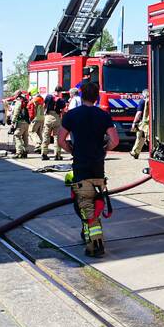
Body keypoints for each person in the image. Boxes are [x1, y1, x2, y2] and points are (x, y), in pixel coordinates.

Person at [58, 81, 119, 257]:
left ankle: (96, 245)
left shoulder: (71, 115)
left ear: (81, 95)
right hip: (98, 169)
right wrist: (104, 150)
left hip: (81, 168)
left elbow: (61, 140)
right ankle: (89, 234)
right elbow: (114, 141)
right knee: (96, 205)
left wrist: (72, 150)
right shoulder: (103, 115)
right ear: (96, 97)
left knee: (86, 207)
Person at [40, 86, 64, 161]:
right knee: (57, 137)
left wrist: (45, 114)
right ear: (60, 92)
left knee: (46, 136)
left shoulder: (48, 97)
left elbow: (44, 106)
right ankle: (57, 155)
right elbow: (63, 109)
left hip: (48, 117)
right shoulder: (61, 100)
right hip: (56, 118)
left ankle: (44, 154)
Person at [8, 92, 31, 158]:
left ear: (17, 95)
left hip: (20, 122)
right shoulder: (26, 101)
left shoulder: (19, 102)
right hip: (27, 122)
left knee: (17, 135)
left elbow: (16, 112)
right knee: (25, 137)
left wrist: (13, 121)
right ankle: (25, 152)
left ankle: (19, 152)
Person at [130, 89, 150, 159]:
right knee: (142, 137)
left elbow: (139, 113)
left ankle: (135, 152)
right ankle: (135, 152)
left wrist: (134, 122)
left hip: (144, 123)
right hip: (151, 122)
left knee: (140, 136)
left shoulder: (142, 101)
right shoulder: (152, 101)